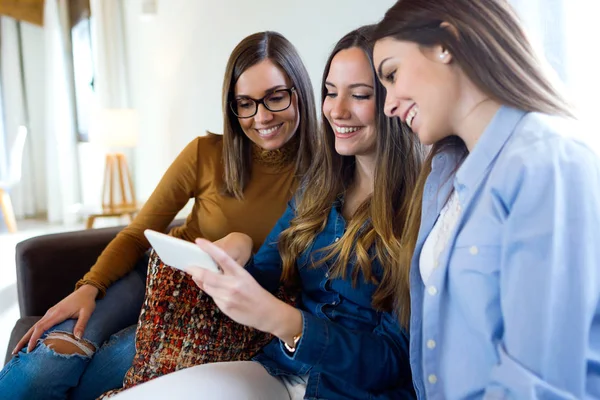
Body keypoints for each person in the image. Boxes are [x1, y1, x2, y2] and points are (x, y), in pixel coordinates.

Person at [109, 25, 423, 400]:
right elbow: (264, 277)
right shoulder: (317, 189)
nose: (336, 110)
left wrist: (288, 323)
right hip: (279, 370)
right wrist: (232, 256)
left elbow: (396, 361)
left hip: (356, 390)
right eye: (330, 92)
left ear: (395, 102)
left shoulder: (422, 211)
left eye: (359, 95)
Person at [0, 31, 317, 400]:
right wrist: (89, 287)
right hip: (154, 277)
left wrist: (241, 247)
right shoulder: (206, 153)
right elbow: (138, 234)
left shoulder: (327, 175)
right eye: (245, 103)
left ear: (300, 91)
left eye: (275, 97)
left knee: (97, 378)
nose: (261, 117)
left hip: (206, 319)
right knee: (45, 366)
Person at [371, 1, 600, 399]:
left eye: (392, 74)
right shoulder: (445, 178)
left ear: (446, 42)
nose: (388, 104)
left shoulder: (546, 161)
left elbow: (538, 382)